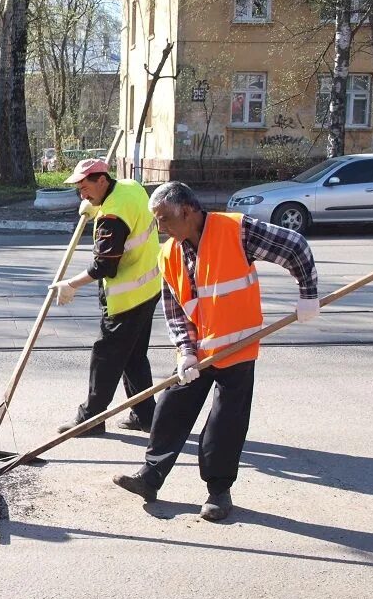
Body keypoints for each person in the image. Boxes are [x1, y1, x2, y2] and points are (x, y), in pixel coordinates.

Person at [112, 181, 319, 521]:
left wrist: (308, 294)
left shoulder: (236, 231)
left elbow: (294, 245)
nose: (159, 228)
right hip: (199, 351)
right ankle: (150, 477)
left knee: (225, 423)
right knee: (170, 407)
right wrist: (186, 351)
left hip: (237, 348)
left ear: (188, 211)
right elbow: (175, 309)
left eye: (164, 219)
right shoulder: (169, 253)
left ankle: (218, 492)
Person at [50, 158, 162, 436]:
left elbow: (104, 266)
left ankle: (90, 419)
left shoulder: (112, 216)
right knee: (133, 357)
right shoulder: (131, 186)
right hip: (149, 287)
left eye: (85, 187)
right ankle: (146, 415)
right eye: (78, 189)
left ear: (102, 180)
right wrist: (95, 206)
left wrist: (71, 284)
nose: (82, 194)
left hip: (127, 298)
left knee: (106, 356)